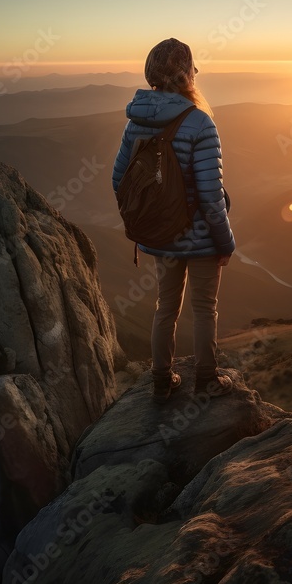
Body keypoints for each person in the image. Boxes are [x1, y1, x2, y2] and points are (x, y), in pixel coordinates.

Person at [111, 38, 236, 403]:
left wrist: (150, 218)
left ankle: (162, 381)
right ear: (187, 74)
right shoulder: (199, 122)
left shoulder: (135, 121)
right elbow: (211, 197)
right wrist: (225, 243)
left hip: (160, 237)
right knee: (204, 309)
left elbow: (119, 181)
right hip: (200, 240)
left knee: (165, 308)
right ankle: (207, 380)